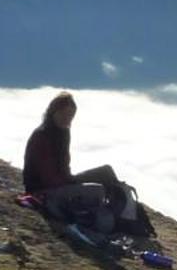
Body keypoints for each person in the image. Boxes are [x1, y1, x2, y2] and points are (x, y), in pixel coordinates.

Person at [23, 92, 129, 231]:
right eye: (63, 114)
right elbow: (48, 177)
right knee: (98, 190)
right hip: (43, 191)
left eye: (70, 116)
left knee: (106, 172)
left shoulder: (63, 133)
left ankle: (122, 214)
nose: (67, 119)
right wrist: (72, 182)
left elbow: (63, 167)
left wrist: (71, 180)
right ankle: (110, 219)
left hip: (61, 181)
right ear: (53, 111)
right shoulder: (42, 135)